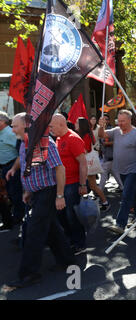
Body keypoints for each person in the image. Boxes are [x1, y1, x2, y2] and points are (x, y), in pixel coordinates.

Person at [4, 113, 75, 290]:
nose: (12, 129)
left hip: (48, 193)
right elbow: (27, 164)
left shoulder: (45, 144)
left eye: (14, 126)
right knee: (51, 229)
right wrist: (28, 189)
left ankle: (29, 274)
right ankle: (67, 260)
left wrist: (60, 196)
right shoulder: (24, 142)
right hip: (37, 192)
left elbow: (60, 169)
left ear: (27, 126)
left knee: (34, 232)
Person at [98, 109, 136, 234]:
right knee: (134, 195)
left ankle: (120, 224)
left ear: (130, 120)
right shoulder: (116, 131)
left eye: (123, 121)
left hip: (134, 170)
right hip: (121, 170)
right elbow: (102, 135)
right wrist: (100, 125)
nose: (120, 123)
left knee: (126, 196)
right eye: (118, 121)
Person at [49, 114, 89, 255]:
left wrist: (83, 184)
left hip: (72, 184)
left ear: (61, 124)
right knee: (62, 215)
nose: (50, 129)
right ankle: (71, 240)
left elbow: (83, 164)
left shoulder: (73, 139)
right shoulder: (59, 138)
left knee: (72, 216)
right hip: (62, 184)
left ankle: (80, 243)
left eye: (52, 126)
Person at [75, 117, 110, 211]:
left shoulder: (85, 135)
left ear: (81, 125)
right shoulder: (85, 134)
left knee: (93, 186)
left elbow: (86, 150)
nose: (75, 124)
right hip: (88, 163)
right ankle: (104, 202)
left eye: (77, 123)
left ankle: (105, 202)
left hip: (88, 163)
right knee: (92, 186)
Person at [0, 111, 25, 232]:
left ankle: (20, 218)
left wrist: (14, 167)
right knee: (10, 193)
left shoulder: (10, 134)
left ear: (2, 122)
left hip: (12, 166)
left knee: (15, 193)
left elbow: (20, 151)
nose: (14, 129)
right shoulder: (2, 133)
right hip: (5, 167)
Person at [98, 113, 123, 192]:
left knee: (104, 172)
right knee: (115, 172)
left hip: (112, 155)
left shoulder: (113, 130)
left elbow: (118, 141)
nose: (104, 121)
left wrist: (108, 143)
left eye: (106, 119)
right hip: (105, 156)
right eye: (103, 119)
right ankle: (122, 187)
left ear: (108, 120)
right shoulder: (100, 129)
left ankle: (100, 190)